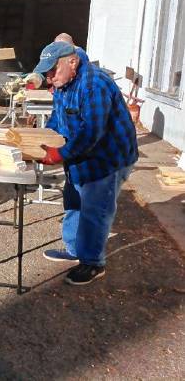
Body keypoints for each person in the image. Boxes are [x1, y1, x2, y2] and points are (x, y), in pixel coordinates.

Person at [34, 41, 138, 285]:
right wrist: (45, 139)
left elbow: (91, 132)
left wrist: (59, 154)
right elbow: (57, 119)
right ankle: (74, 249)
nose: (49, 78)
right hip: (82, 155)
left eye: (53, 71)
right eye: (46, 73)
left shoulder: (95, 85)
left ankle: (92, 262)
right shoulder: (63, 82)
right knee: (73, 201)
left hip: (107, 158)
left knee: (94, 210)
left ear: (72, 62)